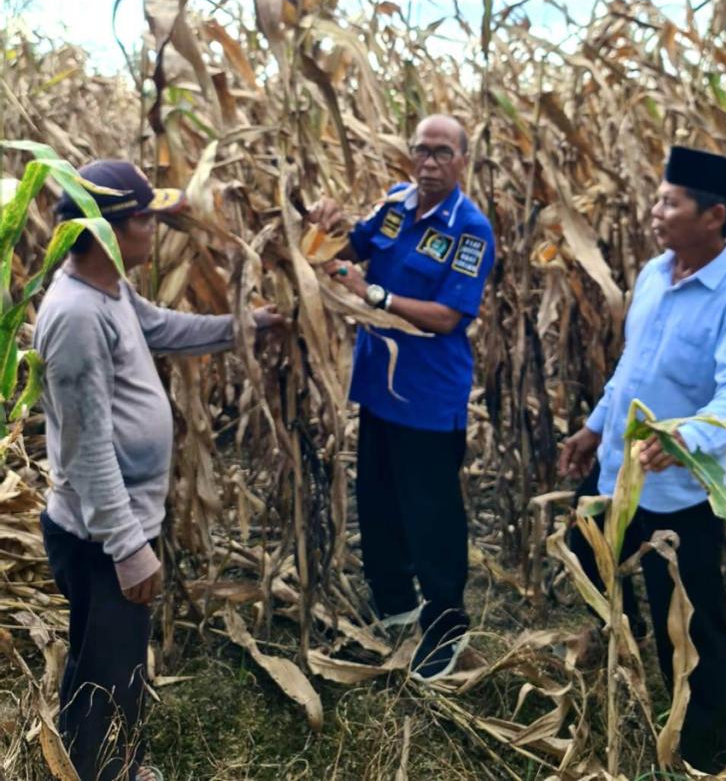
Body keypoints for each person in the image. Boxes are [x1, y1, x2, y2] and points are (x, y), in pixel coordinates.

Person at [33, 160, 284, 781]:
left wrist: (245, 328)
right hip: (99, 535)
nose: (156, 230)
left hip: (116, 526)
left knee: (110, 657)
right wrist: (127, 547)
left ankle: (112, 757)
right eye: (146, 218)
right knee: (105, 665)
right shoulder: (77, 315)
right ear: (107, 230)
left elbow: (164, 328)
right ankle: (102, 768)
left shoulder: (109, 290)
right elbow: (86, 448)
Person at [558, 145, 726, 775]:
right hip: (614, 479)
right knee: (598, 590)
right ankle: (611, 704)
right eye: (658, 198)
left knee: (696, 631)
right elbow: (633, 367)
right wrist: (596, 427)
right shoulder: (655, 272)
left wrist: (685, 440)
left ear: (714, 215)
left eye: (669, 202)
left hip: (681, 497)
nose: (655, 211)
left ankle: (703, 755)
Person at [310, 114, 495, 682]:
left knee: (432, 514)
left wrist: (377, 295)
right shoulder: (394, 203)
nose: (430, 163)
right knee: (379, 501)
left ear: (464, 161)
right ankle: (395, 605)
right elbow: (352, 247)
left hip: (428, 395)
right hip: (377, 388)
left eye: (443, 153)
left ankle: (446, 625)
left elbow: (446, 317)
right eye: (422, 151)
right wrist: (327, 223)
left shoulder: (471, 229)